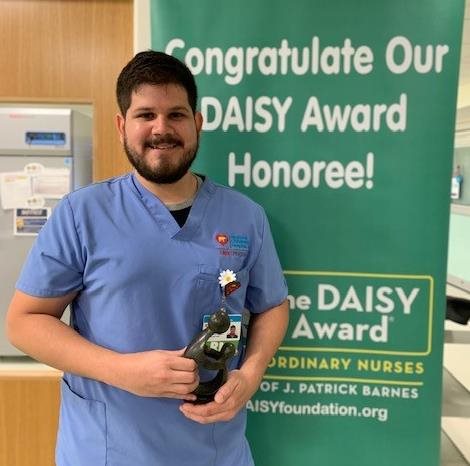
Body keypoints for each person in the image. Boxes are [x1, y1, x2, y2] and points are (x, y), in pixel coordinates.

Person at [6, 50, 289, 466]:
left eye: (176, 115)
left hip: (215, 450)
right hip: (109, 449)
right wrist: (122, 371)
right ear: (122, 126)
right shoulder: (82, 214)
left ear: (197, 124)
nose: (161, 129)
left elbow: (271, 306)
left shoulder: (245, 216)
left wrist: (251, 372)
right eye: (145, 115)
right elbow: (24, 322)